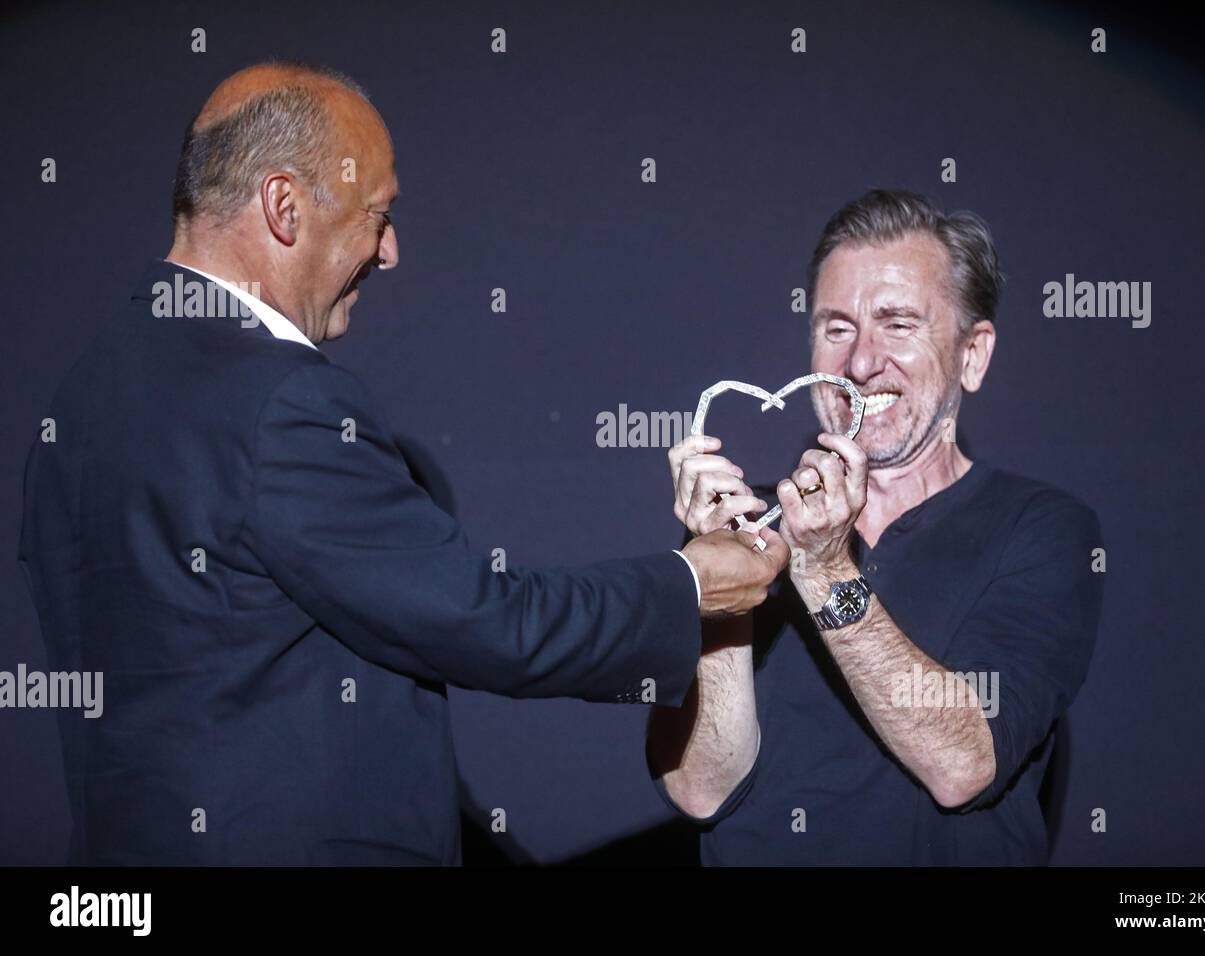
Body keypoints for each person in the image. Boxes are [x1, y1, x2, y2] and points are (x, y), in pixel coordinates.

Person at [18, 61, 788, 865]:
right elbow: (482, 620)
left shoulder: (82, 401)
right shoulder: (280, 400)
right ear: (285, 208)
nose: (389, 252)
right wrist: (692, 584)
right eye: (377, 215)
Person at [648, 189, 1104, 865]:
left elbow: (962, 766)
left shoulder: (1043, 531)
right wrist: (725, 586)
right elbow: (700, 792)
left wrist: (822, 566)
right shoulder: (743, 530)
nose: (860, 363)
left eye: (897, 324)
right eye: (837, 328)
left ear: (972, 355)